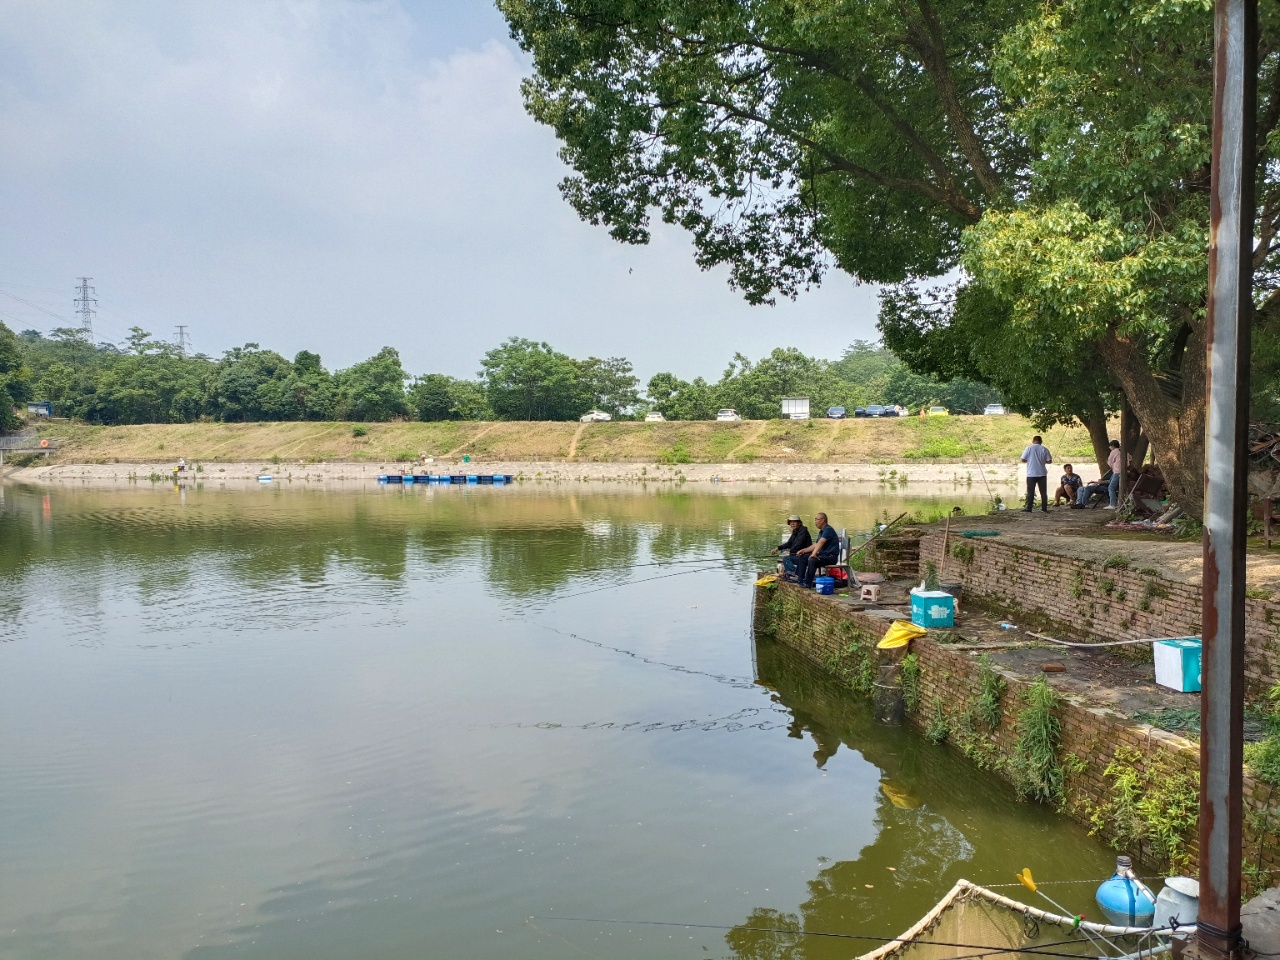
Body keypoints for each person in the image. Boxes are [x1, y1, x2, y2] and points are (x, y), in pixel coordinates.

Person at [793, 513, 840, 587]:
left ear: (823, 520)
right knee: (803, 557)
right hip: (823, 556)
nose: (815, 522)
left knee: (812, 560)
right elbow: (816, 545)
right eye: (815, 520)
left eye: (817, 519)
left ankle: (808, 583)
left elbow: (821, 542)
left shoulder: (828, 529)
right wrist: (804, 550)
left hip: (831, 557)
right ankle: (800, 579)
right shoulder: (821, 531)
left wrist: (813, 554)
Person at [1020, 435, 1053, 513]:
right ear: (1041, 441)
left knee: (1030, 492)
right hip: (1042, 473)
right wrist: (1044, 461)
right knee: (1043, 492)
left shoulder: (1028, 448)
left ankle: (1029, 508)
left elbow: (1023, 459)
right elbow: (1049, 461)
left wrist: (1029, 460)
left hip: (1031, 474)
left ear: (1033, 441)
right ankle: (1044, 508)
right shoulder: (1044, 449)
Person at [1105, 440, 1122, 510]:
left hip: (1117, 471)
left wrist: (1113, 465)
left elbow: (1109, 462)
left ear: (1112, 446)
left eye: (1110, 447)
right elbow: (1130, 458)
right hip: (1123, 471)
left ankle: (1112, 504)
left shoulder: (1114, 451)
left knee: (1111, 487)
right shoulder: (1122, 451)